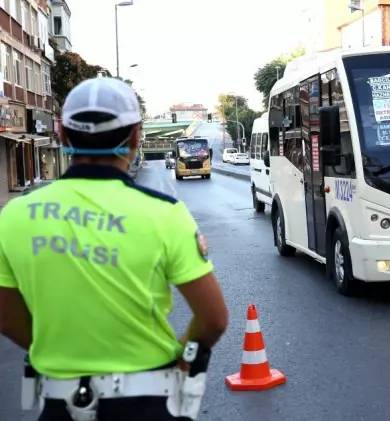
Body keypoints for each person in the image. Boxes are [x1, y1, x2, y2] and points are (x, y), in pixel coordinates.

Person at [0, 77, 228, 421]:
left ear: (62, 134)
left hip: (59, 405)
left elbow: (4, 314)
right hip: (149, 403)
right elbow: (213, 320)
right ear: (136, 136)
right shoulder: (165, 214)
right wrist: (184, 357)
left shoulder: (13, 217)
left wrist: (54, 348)